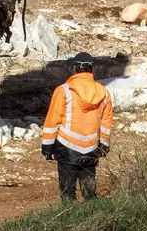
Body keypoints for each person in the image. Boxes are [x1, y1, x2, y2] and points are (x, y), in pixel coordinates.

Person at [41, 52, 114, 201]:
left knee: (68, 193)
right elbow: (106, 121)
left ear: (75, 68)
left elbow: (53, 120)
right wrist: (104, 144)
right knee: (90, 194)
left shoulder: (64, 90)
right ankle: (95, 214)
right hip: (92, 147)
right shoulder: (104, 92)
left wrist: (47, 146)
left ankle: (69, 214)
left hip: (67, 146)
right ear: (91, 69)